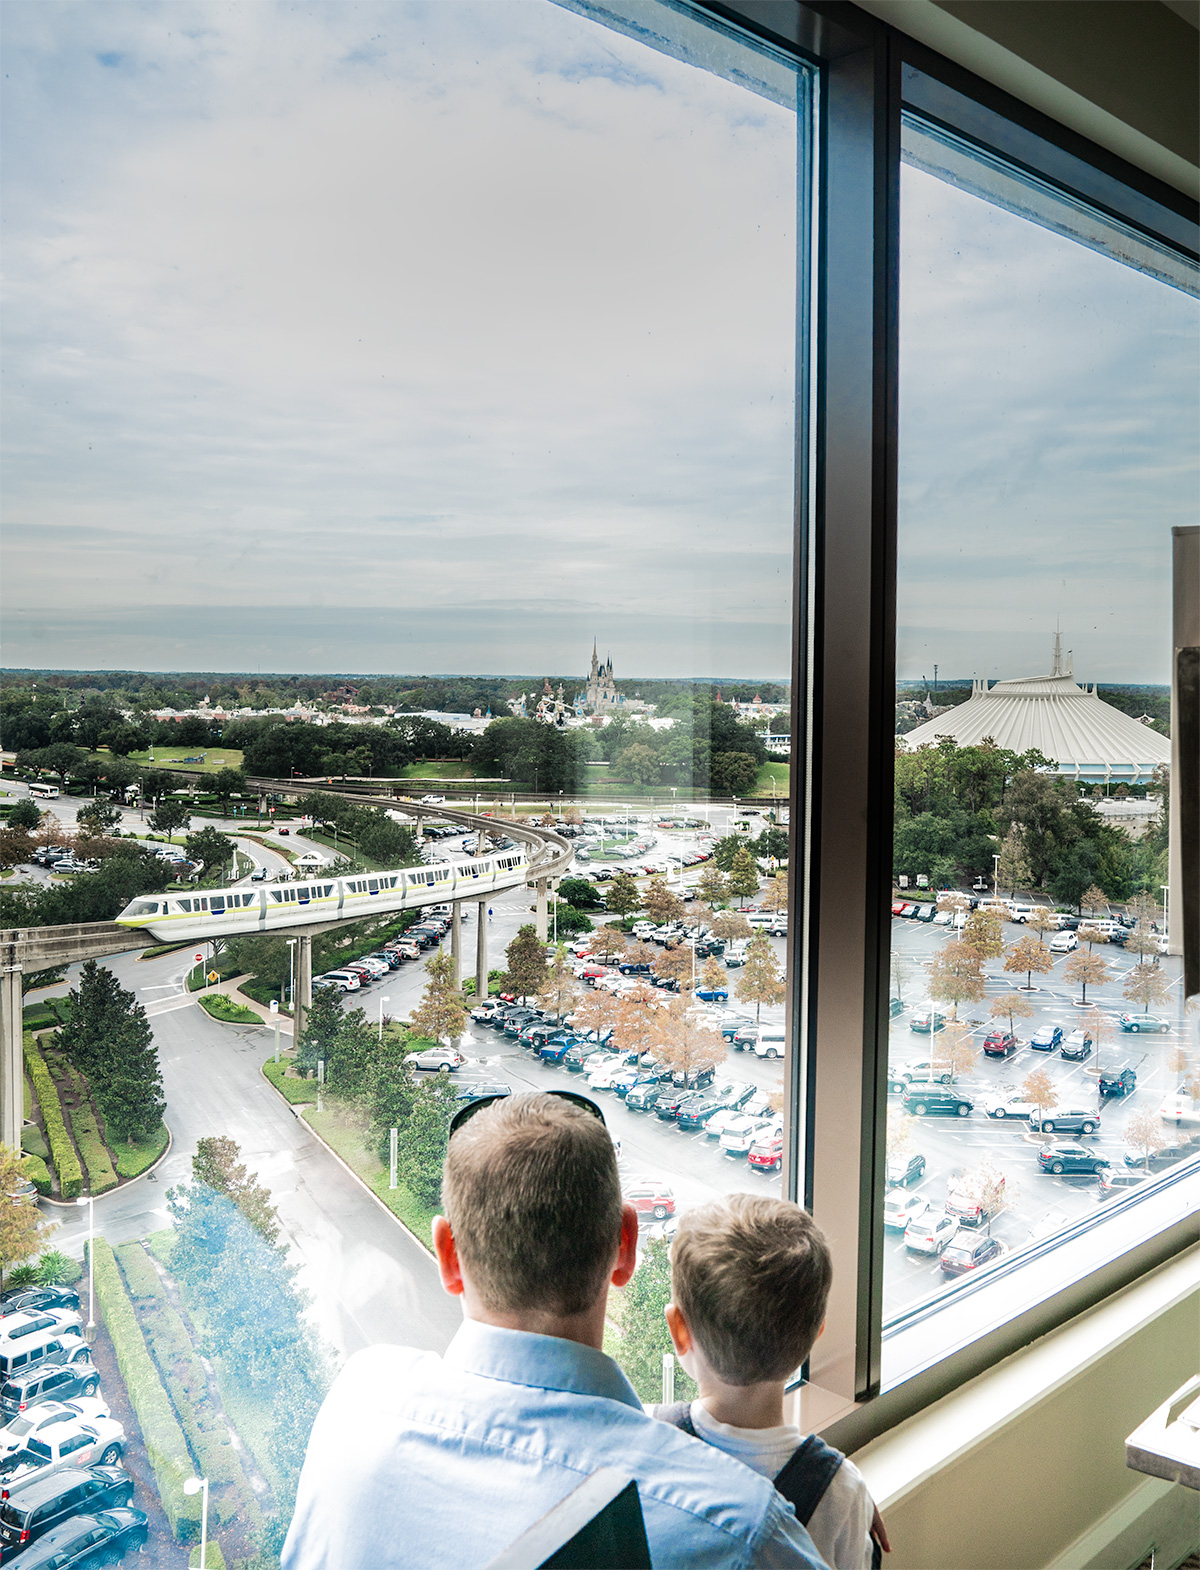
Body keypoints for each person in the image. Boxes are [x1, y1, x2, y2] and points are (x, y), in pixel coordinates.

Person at [282, 1093, 829, 1570]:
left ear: (448, 1254)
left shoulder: (356, 1403)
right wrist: (824, 1494)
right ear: (626, 1246)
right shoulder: (742, 1529)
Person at [654, 1194, 887, 1570]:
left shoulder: (645, 1436)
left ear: (679, 1330)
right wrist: (843, 1491)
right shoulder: (839, 1492)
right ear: (815, 1335)